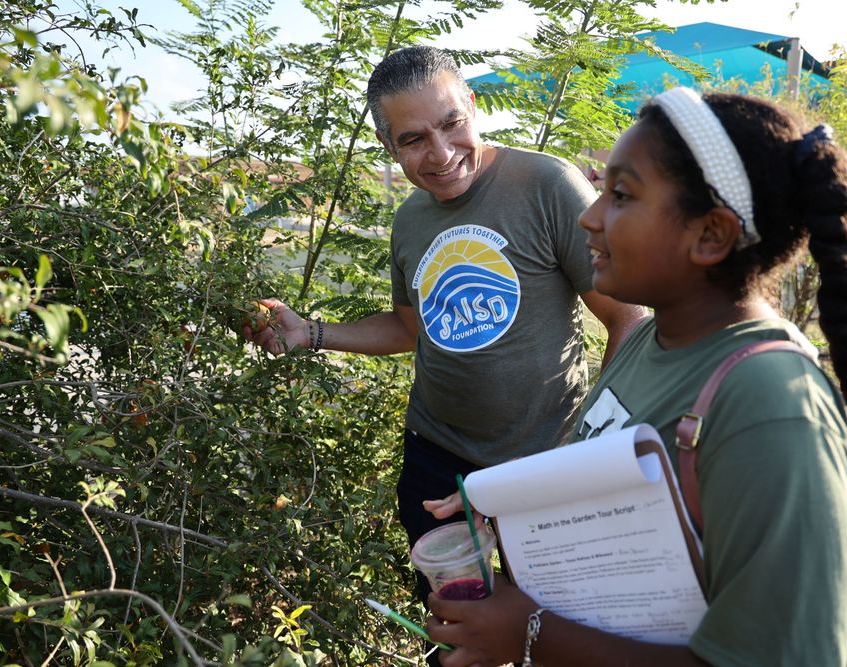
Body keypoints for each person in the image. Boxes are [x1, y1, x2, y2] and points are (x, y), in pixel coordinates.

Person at [422, 87, 847, 666]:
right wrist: (520, 502)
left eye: (620, 195)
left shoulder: (772, 406)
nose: (589, 218)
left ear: (710, 236)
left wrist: (532, 634)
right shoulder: (652, 340)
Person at [246, 43, 645, 643]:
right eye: (412, 140)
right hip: (438, 463)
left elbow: (628, 320)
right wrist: (312, 334)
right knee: (459, 630)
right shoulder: (410, 220)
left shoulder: (546, 184)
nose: (440, 154)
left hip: (545, 460)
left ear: (473, 106)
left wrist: (581, 451)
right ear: (390, 146)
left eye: (452, 123)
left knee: (564, 630)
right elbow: (412, 328)